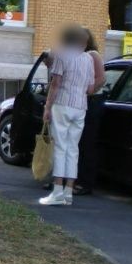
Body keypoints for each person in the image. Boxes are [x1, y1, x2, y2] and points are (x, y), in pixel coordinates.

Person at [39, 25, 96, 206]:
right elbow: (91, 88)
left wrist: (47, 108)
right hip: (81, 107)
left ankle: (57, 191)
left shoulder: (62, 55)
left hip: (62, 104)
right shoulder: (88, 59)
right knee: (73, 149)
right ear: (81, 41)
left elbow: (55, 84)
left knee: (60, 147)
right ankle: (68, 192)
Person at [74, 28, 106, 195]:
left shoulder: (93, 55)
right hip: (80, 102)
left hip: (92, 102)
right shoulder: (76, 56)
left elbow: (101, 79)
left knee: (87, 143)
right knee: (75, 143)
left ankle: (85, 183)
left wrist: (88, 91)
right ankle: (71, 180)